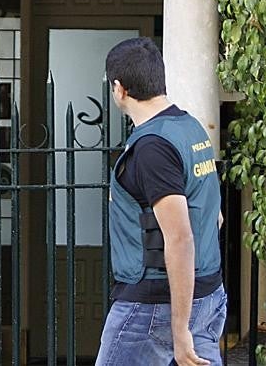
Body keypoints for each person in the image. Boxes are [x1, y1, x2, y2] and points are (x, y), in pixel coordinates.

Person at [95, 37, 226, 366]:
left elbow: (180, 237)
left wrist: (179, 330)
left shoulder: (153, 146)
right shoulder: (190, 129)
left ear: (119, 89)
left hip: (153, 304)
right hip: (208, 293)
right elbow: (216, 216)